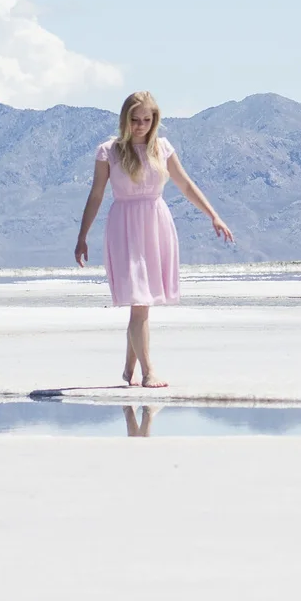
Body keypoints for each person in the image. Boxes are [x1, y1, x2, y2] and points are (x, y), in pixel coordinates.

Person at [74, 91, 233, 387]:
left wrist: (214, 215)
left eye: (147, 120)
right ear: (125, 119)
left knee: (141, 302)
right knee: (139, 299)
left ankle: (128, 369)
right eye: (135, 120)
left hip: (155, 225)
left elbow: (185, 184)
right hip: (123, 227)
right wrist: (82, 236)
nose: (141, 126)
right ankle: (148, 372)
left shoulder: (162, 148)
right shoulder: (108, 151)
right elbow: (96, 195)